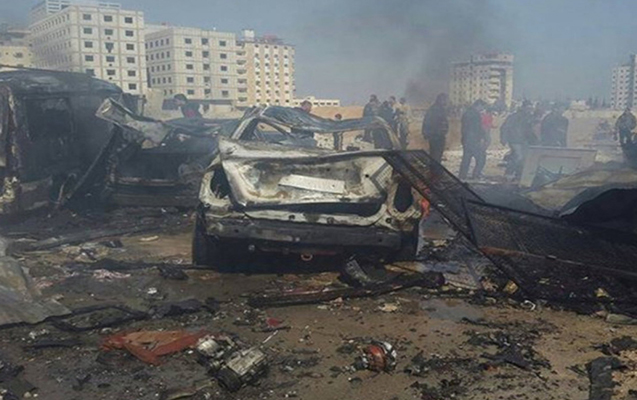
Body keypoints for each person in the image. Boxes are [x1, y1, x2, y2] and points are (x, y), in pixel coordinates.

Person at [500, 100, 535, 179]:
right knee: (518, 156)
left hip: (525, 141)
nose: (529, 110)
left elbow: (531, 130)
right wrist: (503, 138)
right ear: (523, 107)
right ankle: (509, 173)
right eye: (528, 108)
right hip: (515, 140)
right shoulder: (514, 117)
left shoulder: (530, 117)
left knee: (524, 158)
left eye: (530, 108)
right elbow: (505, 127)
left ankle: (518, 174)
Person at [459, 100, 489, 180]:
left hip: (466, 139)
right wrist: (484, 137)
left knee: (466, 159)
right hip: (473, 140)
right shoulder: (475, 114)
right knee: (481, 158)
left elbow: (465, 128)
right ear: (478, 105)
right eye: (482, 107)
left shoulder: (466, 113)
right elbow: (477, 128)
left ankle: (462, 176)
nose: (482, 109)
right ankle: (476, 175)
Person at [421, 93, 449, 163]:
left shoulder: (440, 109)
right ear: (440, 100)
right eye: (444, 100)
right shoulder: (434, 110)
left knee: (436, 155)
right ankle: (435, 168)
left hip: (438, 135)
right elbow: (427, 122)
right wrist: (427, 133)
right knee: (435, 156)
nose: (445, 101)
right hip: (435, 136)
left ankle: (435, 167)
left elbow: (444, 123)